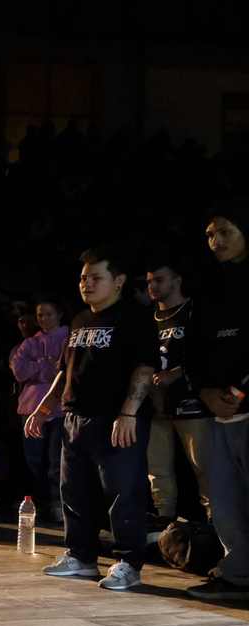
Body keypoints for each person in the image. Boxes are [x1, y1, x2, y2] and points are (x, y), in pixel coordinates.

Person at [26, 247, 158, 591]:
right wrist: (43, 409)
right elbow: (63, 371)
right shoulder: (81, 320)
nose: (86, 283)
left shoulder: (134, 317)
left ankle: (129, 563)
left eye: (96, 277)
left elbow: (145, 368)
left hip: (115, 419)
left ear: (119, 281)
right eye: (83, 277)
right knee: (75, 490)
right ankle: (82, 557)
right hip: (74, 418)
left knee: (123, 492)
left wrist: (128, 412)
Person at [185, 202, 249, 601]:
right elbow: (193, 349)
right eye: (210, 235)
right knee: (224, 501)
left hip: (244, 405)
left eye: (225, 231)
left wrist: (240, 393)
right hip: (217, 412)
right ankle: (239, 577)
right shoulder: (209, 285)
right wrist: (205, 392)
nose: (216, 241)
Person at [145, 257, 211, 522]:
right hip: (156, 404)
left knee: (203, 467)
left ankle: (214, 524)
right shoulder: (148, 319)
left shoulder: (195, 311)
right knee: (157, 469)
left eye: (159, 280)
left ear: (177, 280)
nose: (152, 286)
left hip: (192, 402)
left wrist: (179, 372)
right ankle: (165, 524)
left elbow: (209, 353)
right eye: (149, 281)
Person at [12, 299, 69, 523]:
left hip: (59, 408)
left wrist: (37, 368)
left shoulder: (67, 338)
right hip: (31, 407)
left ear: (59, 314)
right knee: (34, 460)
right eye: (40, 315)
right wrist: (45, 363)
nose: (43, 319)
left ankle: (57, 502)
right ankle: (41, 502)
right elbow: (19, 370)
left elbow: (61, 374)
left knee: (57, 459)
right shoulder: (30, 342)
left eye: (48, 314)